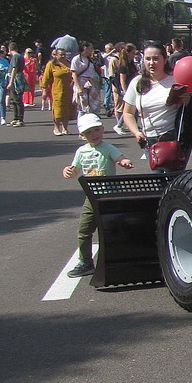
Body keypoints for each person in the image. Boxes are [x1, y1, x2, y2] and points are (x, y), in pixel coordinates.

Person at [62, 112, 134, 278]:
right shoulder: (81, 151)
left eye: (96, 130)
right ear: (82, 135)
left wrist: (124, 162)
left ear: (102, 129)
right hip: (92, 197)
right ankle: (86, 262)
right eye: (89, 132)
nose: (94, 135)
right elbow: (74, 170)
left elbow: (120, 158)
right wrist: (68, 171)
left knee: (113, 229)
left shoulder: (108, 148)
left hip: (110, 196)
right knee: (84, 230)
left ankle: (119, 259)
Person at [122, 42, 192, 170]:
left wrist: (188, 99)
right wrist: (136, 133)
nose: (151, 63)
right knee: (158, 181)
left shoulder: (177, 79)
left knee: (174, 181)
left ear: (165, 60)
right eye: (148, 59)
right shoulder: (137, 83)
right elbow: (128, 113)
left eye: (156, 59)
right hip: (149, 140)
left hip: (174, 138)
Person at [41, 47, 76, 135]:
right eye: (61, 54)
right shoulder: (52, 64)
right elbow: (45, 79)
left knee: (67, 109)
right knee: (58, 109)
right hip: (58, 90)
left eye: (64, 54)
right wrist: (44, 90)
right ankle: (56, 128)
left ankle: (65, 128)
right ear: (56, 55)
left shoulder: (68, 63)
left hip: (69, 90)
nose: (63, 56)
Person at [110, 43, 136, 133]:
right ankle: (119, 125)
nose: (134, 55)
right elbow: (122, 80)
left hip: (131, 88)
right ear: (128, 53)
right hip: (123, 89)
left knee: (134, 108)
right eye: (133, 53)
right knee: (127, 108)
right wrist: (125, 92)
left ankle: (132, 125)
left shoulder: (131, 63)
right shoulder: (123, 65)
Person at [71, 41, 101, 115]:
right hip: (81, 82)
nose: (92, 50)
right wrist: (78, 88)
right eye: (91, 48)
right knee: (82, 106)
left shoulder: (90, 59)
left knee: (93, 106)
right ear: (85, 48)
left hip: (90, 83)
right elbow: (74, 74)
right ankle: (81, 122)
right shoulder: (77, 59)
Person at [6, 42, 27, 126]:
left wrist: (10, 82)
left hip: (16, 79)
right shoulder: (20, 56)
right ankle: (15, 118)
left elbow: (14, 69)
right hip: (18, 77)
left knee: (17, 99)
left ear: (9, 49)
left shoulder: (15, 57)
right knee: (14, 100)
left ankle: (20, 119)